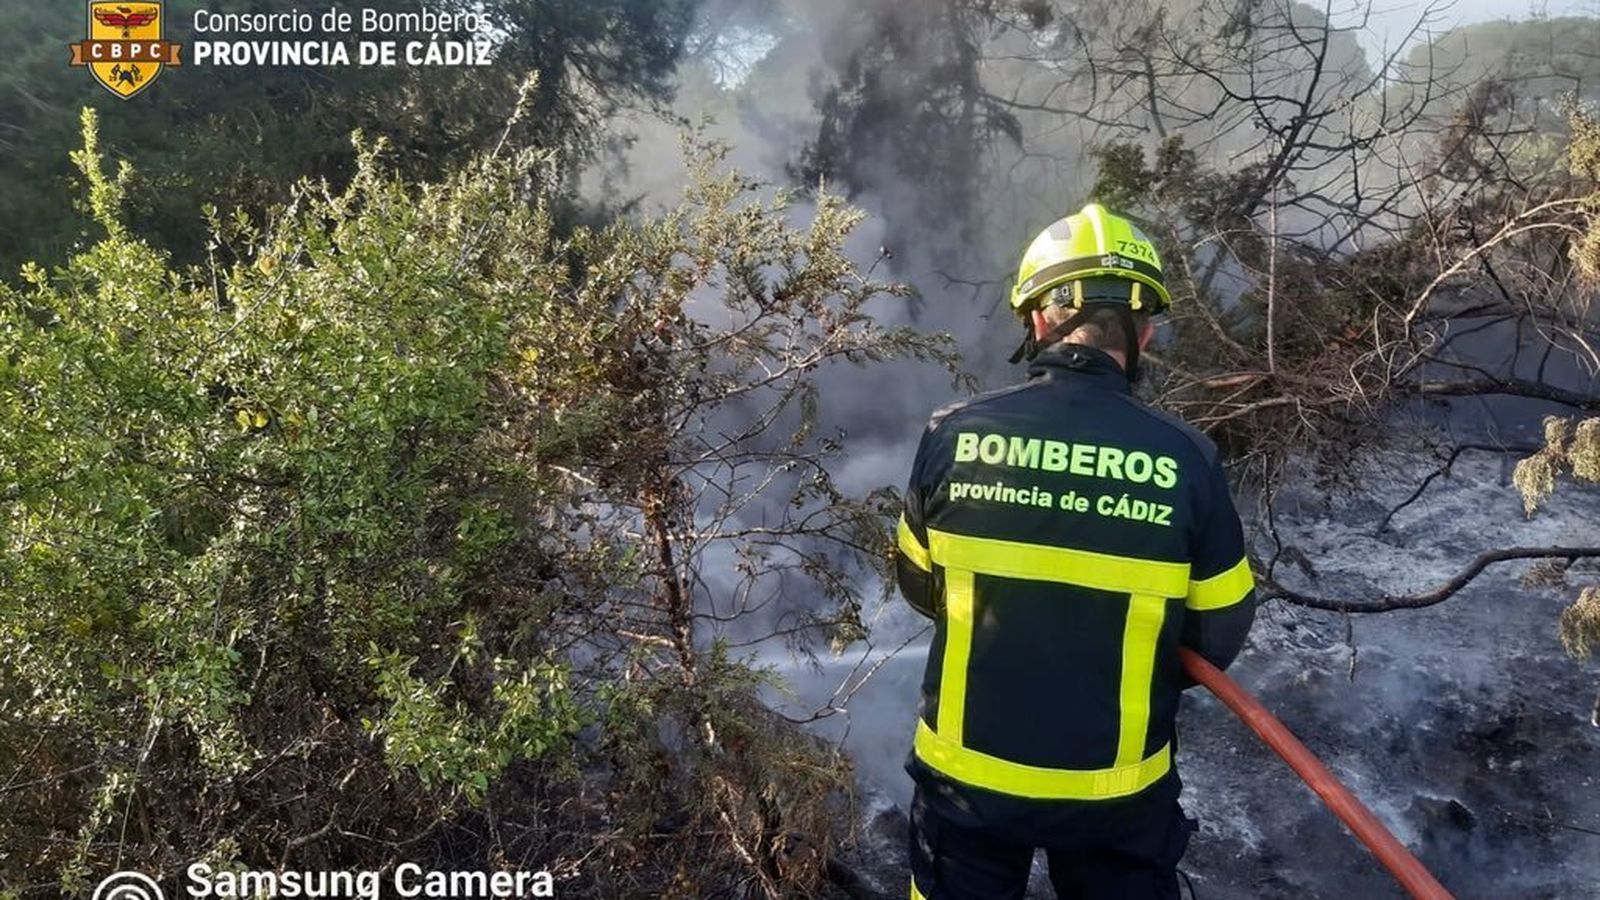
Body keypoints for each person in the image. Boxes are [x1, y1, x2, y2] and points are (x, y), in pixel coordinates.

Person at [895, 203, 1257, 899]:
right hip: (1115, 798)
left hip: (965, 788)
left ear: (1037, 321)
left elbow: (918, 585)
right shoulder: (1186, 458)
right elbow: (1217, 632)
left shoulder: (953, 434)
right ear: (1144, 331)